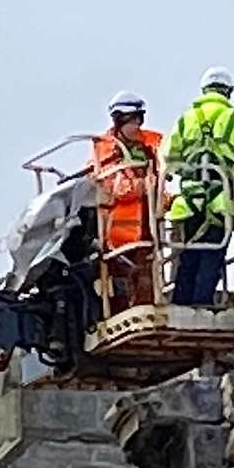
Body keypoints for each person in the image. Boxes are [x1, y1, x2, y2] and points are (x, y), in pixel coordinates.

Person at [163, 67, 234, 306]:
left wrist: (189, 171)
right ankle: (202, 305)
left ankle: (180, 304)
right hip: (222, 201)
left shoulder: (186, 119)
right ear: (228, 92)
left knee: (188, 256)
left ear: (204, 90)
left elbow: (169, 158)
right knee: (212, 256)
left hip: (189, 201)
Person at [93, 91, 163, 313]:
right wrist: (145, 185)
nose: (138, 125)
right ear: (119, 120)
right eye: (133, 120)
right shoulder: (104, 148)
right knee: (119, 291)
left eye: (140, 119)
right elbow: (114, 188)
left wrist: (167, 199)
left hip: (147, 229)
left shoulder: (151, 144)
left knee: (147, 286)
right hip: (117, 236)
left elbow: (161, 182)